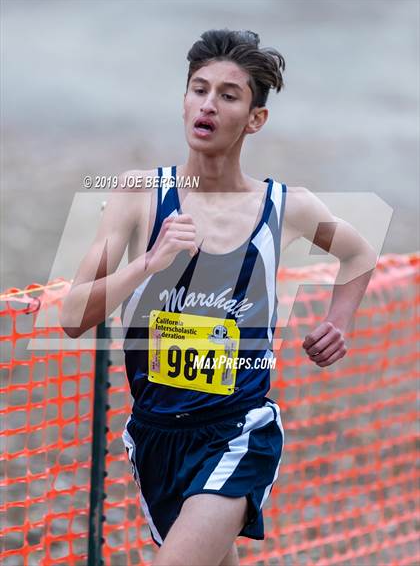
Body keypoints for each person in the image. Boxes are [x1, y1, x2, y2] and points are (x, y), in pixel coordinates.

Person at [61, 29, 377, 566]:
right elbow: (71, 316)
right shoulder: (138, 195)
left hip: (238, 431)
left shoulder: (286, 206)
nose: (208, 104)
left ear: (255, 119)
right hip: (156, 435)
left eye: (228, 95)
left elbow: (360, 252)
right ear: (183, 100)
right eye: (198, 89)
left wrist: (338, 321)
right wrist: (146, 265)